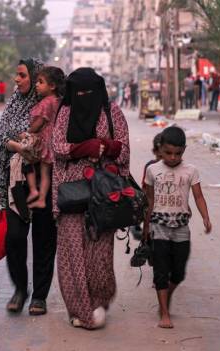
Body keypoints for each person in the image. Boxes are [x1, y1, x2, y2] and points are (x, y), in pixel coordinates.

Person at [52, 68, 130, 329]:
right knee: (72, 254)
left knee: (99, 255)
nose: (84, 97)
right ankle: (81, 310)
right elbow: (57, 146)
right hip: (71, 193)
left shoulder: (112, 111)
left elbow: (124, 146)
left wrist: (107, 146)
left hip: (103, 194)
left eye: (90, 92)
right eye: (79, 92)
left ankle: (98, 302)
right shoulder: (65, 113)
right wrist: (81, 148)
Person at [0, 58, 57, 317]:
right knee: (15, 237)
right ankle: (20, 289)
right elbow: (2, 137)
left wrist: (24, 145)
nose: (16, 80)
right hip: (15, 180)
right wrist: (19, 147)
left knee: (44, 239)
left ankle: (39, 296)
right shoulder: (13, 104)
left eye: (22, 75)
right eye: (16, 75)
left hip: (45, 179)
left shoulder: (48, 106)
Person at [142, 126, 212, 329]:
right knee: (161, 271)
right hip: (159, 227)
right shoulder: (152, 170)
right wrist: (146, 227)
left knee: (179, 273)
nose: (173, 158)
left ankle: (168, 295)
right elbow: (149, 200)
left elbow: (198, 196)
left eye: (178, 153)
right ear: (160, 150)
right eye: (168, 153)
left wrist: (206, 217)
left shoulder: (191, 171)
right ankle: (164, 312)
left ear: (184, 150)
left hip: (181, 229)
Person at [12, 66, 64, 210]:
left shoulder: (46, 102)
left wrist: (26, 133)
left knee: (27, 158)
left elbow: (38, 124)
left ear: (52, 86)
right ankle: (41, 198)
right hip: (55, 139)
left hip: (44, 140)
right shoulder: (59, 100)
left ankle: (34, 189)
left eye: (40, 82)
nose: (37, 85)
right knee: (46, 173)